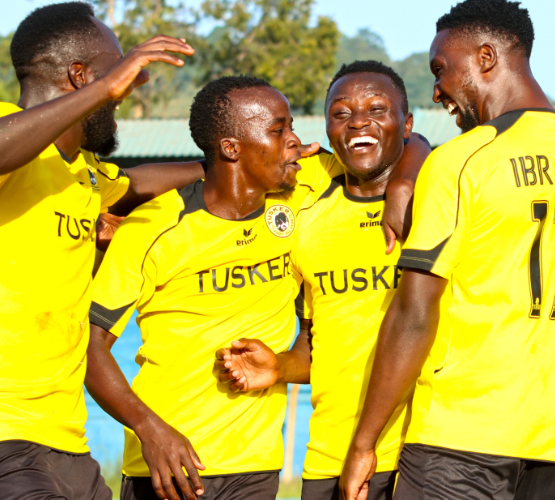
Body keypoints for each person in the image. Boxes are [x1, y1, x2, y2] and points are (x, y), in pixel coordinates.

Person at [86, 74, 429, 500]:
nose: (296, 141)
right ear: (231, 148)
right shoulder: (153, 227)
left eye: (291, 127)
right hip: (167, 463)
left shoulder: (302, 191)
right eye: (278, 129)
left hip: (257, 466)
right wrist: (149, 429)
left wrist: (403, 182)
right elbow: (89, 347)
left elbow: (407, 141)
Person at [339, 1, 555, 499]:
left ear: (486, 57)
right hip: (551, 441)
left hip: (458, 439)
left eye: (440, 70)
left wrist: (364, 443)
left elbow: (414, 315)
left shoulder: (461, 161)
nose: (436, 90)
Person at [0, 3, 204, 499]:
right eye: (115, 73)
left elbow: (136, 183)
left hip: (63, 435)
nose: (121, 94)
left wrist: (237, 159)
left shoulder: (84, 173)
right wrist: (107, 88)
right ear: (81, 76)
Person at [214, 61, 427, 500]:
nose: (358, 122)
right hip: (330, 456)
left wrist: (406, 183)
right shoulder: (308, 207)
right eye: (342, 113)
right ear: (327, 128)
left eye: (376, 109)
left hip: (422, 456)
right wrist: (279, 367)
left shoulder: (436, 197)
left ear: (405, 124)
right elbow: (317, 341)